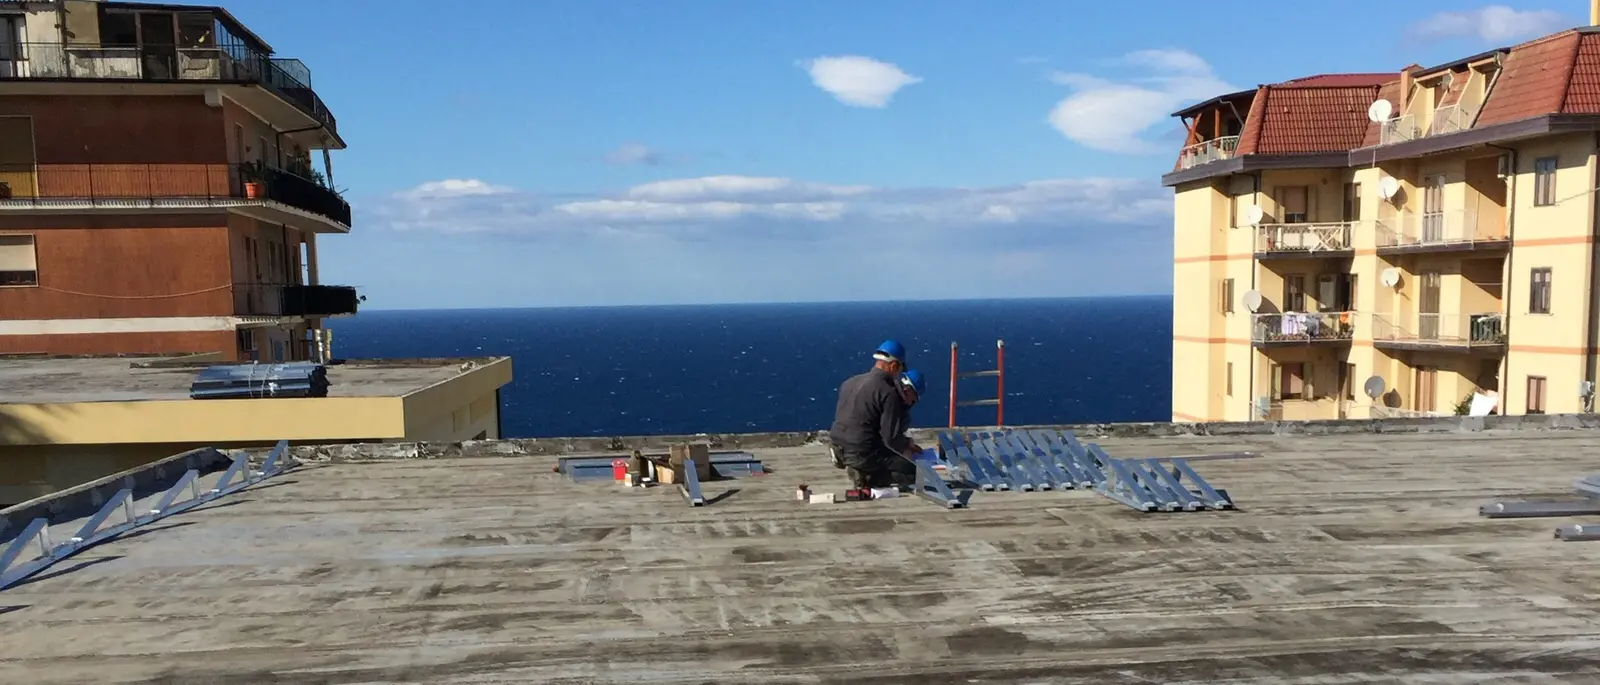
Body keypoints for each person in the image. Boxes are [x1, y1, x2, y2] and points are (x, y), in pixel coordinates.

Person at [828, 340, 920, 489]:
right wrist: (906, 446)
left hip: (837, 444)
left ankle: (851, 461)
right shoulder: (888, 392)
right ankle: (867, 476)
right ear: (894, 366)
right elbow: (890, 439)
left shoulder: (850, 382)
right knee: (913, 473)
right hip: (862, 452)